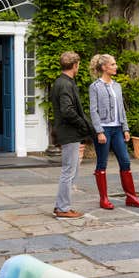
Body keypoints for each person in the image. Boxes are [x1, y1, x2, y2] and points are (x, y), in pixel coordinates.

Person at [88, 54, 139, 209]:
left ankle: (131, 197)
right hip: (104, 129)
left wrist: (125, 128)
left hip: (117, 129)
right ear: (104, 67)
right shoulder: (95, 87)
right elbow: (93, 111)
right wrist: (99, 131)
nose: (116, 67)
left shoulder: (117, 86)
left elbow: (121, 109)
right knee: (102, 163)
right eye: (113, 64)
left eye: (115, 64)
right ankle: (104, 199)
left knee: (125, 161)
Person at [50, 51, 93, 219]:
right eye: (79, 64)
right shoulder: (65, 84)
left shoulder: (62, 82)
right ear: (75, 65)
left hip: (69, 133)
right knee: (68, 171)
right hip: (69, 133)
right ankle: (62, 208)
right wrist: (84, 125)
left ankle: (62, 205)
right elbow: (67, 111)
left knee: (71, 170)